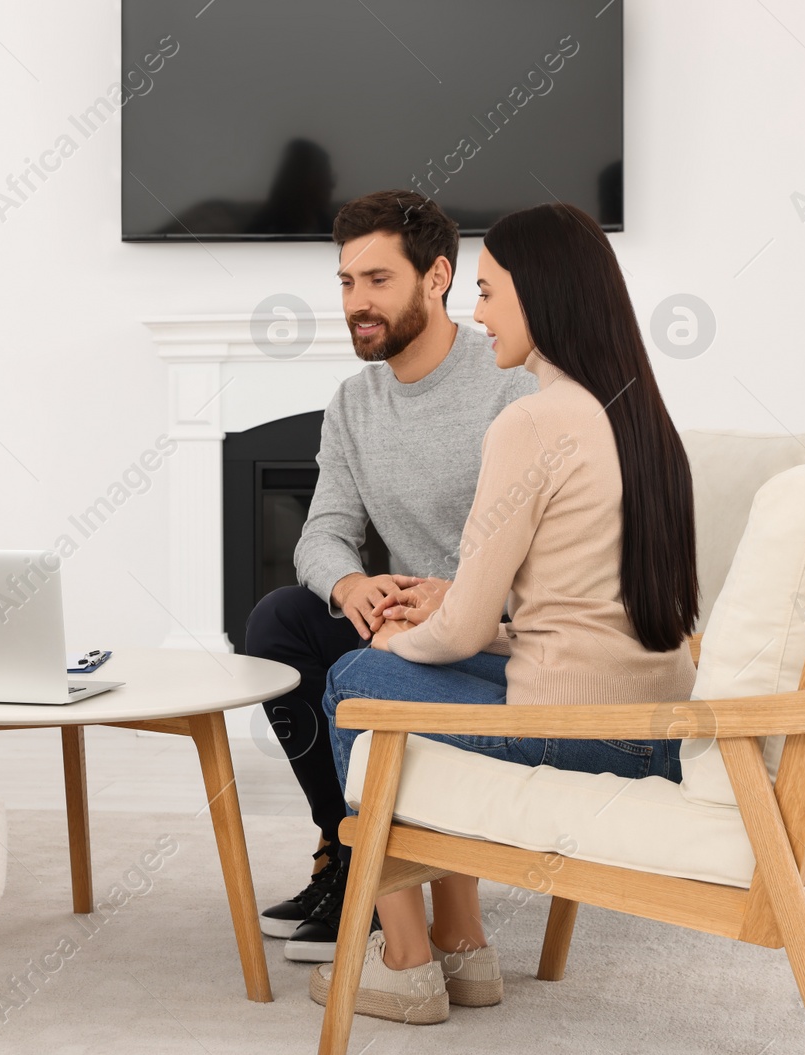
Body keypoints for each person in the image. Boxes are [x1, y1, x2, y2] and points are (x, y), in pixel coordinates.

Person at [308, 202, 699, 1023]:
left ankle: (411, 961)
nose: (479, 315)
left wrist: (396, 629)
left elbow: (462, 631)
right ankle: (463, 948)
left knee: (356, 679)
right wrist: (442, 615)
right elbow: (588, 613)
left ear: (541, 295)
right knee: (393, 669)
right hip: (658, 720)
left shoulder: (532, 417)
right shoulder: (637, 413)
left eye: (489, 294)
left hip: (581, 727)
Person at [244, 190, 534, 963]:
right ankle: (347, 852)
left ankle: (383, 879)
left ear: (437, 277)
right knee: (278, 620)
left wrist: (459, 599)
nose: (356, 304)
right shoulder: (353, 402)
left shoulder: (509, 377)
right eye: (346, 282)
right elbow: (322, 534)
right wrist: (351, 587)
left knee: (362, 665)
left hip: (488, 633)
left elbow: (548, 552)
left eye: (377, 280)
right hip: (402, 621)